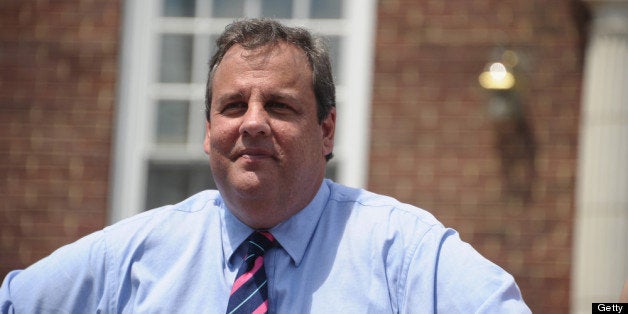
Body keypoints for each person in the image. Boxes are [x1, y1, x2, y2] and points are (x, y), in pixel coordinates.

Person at [0, 18, 530, 313]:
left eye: (279, 106)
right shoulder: (131, 258)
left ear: (326, 130)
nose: (252, 123)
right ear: (208, 131)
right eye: (233, 106)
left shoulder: (404, 254)